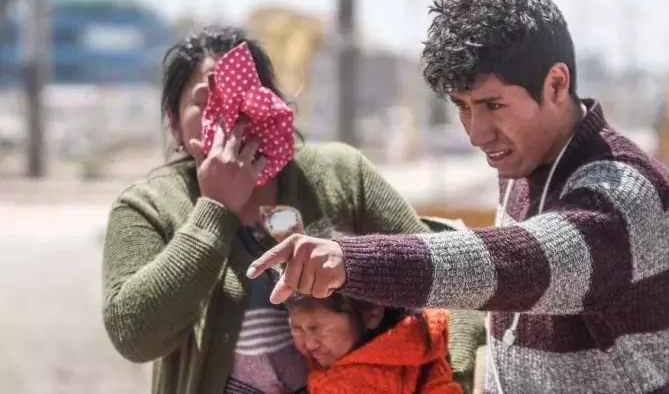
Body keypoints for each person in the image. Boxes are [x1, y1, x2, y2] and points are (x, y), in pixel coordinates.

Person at [248, 0, 669, 394]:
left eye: (493, 105)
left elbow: (520, 265)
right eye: (463, 106)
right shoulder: (524, 165)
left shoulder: (623, 193)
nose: (476, 132)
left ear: (556, 85)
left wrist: (349, 261)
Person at [101, 26, 481, 394]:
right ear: (175, 122)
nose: (227, 113)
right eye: (204, 103)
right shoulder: (147, 207)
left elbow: (447, 279)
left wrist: (452, 376)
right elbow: (134, 337)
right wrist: (214, 211)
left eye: (242, 95)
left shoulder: (341, 176)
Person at [286, 289, 461, 394]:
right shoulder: (416, 340)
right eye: (297, 329)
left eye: (318, 330)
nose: (310, 344)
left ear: (372, 315)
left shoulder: (349, 385)